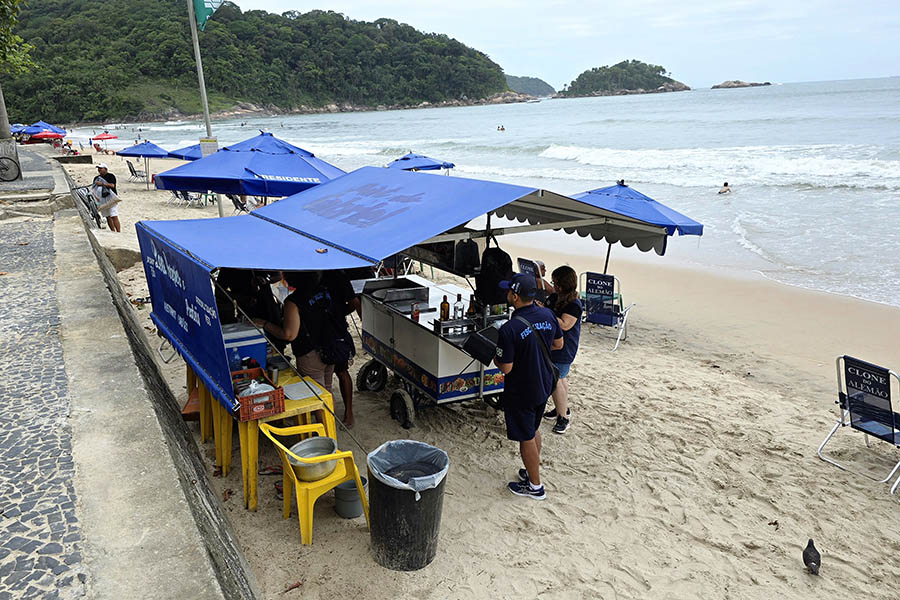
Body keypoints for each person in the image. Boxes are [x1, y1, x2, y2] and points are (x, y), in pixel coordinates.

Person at [494, 273, 563, 500]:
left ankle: (535, 486)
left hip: (522, 388)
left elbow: (506, 368)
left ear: (514, 296)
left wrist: (495, 356)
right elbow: (558, 343)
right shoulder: (548, 314)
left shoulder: (509, 329)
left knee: (526, 437)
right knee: (533, 430)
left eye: (508, 292)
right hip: (544, 382)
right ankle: (531, 470)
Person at [254, 271, 345, 395]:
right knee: (326, 391)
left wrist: (265, 324)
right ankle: (331, 415)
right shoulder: (324, 292)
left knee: (317, 396)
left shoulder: (293, 302)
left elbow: (289, 334)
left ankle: (325, 415)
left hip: (310, 353)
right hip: (331, 347)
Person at [542, 266, 582, 434]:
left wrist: (546, 313)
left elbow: (566, 325)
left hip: (564, 348)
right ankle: (562, 408)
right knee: (561, 379)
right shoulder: (554, 297)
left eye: (557, 283)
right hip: (551, 345)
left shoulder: (574, 304)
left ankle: (563, 418)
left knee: (556, 380)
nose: (555, 286)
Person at [322, 270, 361, 427]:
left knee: (341, 370)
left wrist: (336, 314)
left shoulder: (337, 275)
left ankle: (349, 412)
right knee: (321, 372)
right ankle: (323, 411)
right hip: (314, 328)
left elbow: (353, 302)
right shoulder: (307, 273)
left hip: (335, 330)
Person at [94, 163, 120, 232]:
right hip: (102, 199)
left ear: (105, 169)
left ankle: (118, 231)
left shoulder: (111, 176)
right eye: (98, 168)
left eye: (101, 168)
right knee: (107, 216)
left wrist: (102, 184)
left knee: (114, 215)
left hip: (111, 198)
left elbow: (112, 185)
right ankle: (113, 231)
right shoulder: (96, 178)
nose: (99, 170)